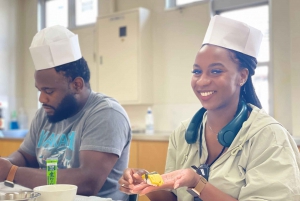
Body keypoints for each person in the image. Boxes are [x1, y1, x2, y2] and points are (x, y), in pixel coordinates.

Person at [118, 15, 300, 201]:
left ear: (242, 76)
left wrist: (196, 183)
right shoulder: (183, 133)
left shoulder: (269, 137)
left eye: (215, 71)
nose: (202, 81)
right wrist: (150, 184)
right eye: (197, 71)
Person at [0, 25, 131, 201]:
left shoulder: (106, 114)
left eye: (49, 91)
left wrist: (11, 172)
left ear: (77, 85)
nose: (42, 99)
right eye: (39, 90)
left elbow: (87, 182)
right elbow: (25, 157)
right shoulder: (45, 114)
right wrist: (5, 164)